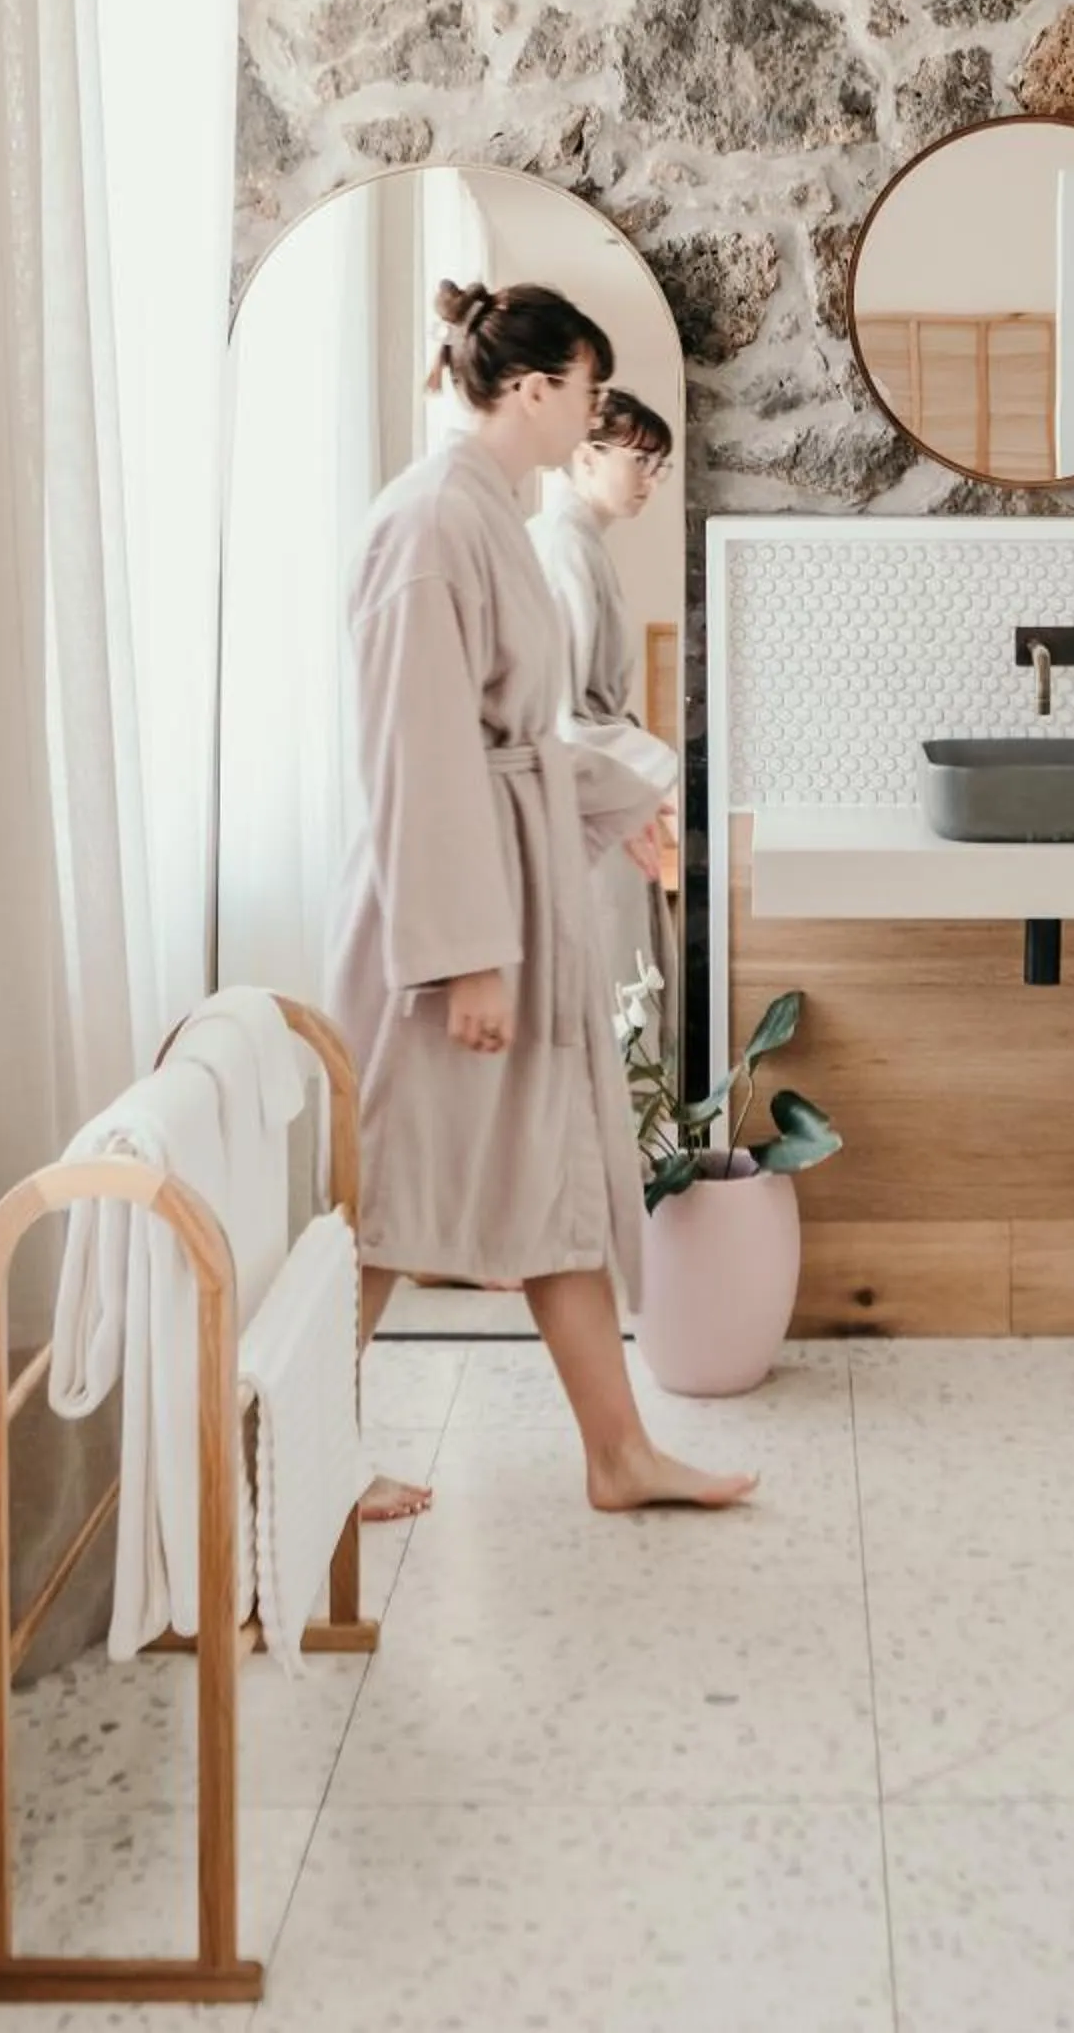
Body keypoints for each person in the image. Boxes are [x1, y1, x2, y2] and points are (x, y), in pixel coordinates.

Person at [325, 280, 754, 1521]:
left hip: (505, 891)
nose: (592, 419)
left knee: (555, 1172)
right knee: (388, 1202)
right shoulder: (427, 527)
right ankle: (282, 1458)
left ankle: (617, 1455)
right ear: (530, 389)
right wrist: (463, 957)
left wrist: (607, 814)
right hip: (446, 924)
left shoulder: (487, 515)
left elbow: (513, 742)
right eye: (585, 391)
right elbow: (421, 752)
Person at [529, 388, 678, 1071]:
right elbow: (562, 717)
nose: (650, 478)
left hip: (600, 791)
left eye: (660, 465)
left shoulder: (577, 543)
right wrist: (649, 786)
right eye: (641, 459)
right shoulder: (560, 547)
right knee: (616, 996)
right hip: (584, 802)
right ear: (585, 456)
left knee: (624, 992)